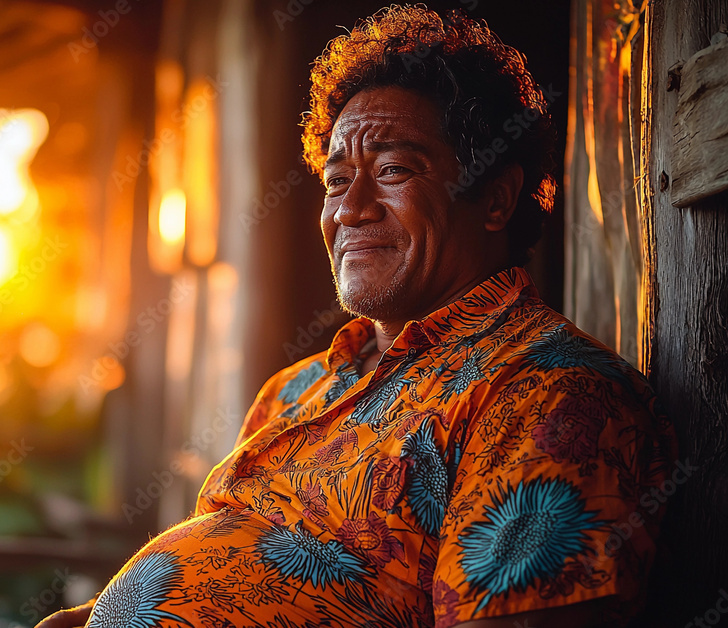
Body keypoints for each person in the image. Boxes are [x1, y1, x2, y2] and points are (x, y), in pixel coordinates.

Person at [38, 4, 675, 627]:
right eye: (337, 180)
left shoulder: (553, 399)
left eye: (393, 170)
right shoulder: (296, 388)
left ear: (497, 198)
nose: (350, 209)